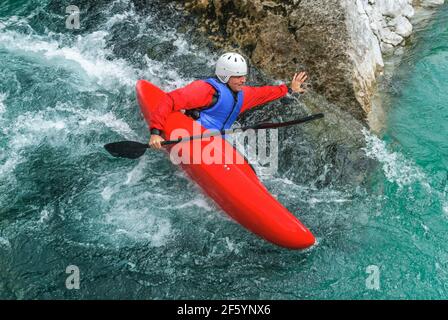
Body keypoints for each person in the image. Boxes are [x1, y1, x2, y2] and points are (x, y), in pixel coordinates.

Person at [149, 52, 308, 149]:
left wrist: (289, 89)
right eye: (238, 76)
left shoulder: (243, 94)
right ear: (225, 75)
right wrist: (155, 133)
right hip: (193, 136)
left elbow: (265, 93)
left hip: (217, 144)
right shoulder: (205, 90)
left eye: (243, 76)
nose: (243, 80)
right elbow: (169, 99)